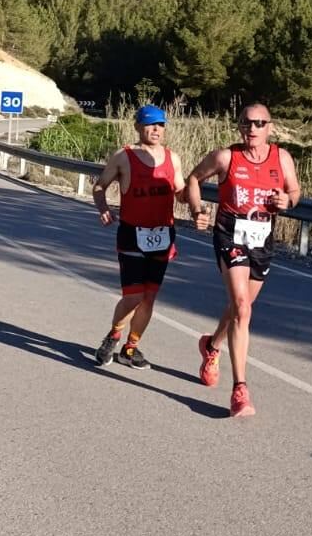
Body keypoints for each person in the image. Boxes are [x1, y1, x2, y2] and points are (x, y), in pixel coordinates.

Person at [186, 104, 300, 417]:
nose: (252, 129)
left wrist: (286, 200)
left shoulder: (282, 158)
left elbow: (295, 191)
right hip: (230, 235)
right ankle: (240, 390)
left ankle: (211, 346)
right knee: (242, 306)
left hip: (262, 238)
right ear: (239, 126)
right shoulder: (226, 157)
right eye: (247, 123)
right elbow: (193, 179)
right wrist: (197, 211)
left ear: (270, 127)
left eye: (259, 123)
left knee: (240, 309)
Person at [90, 105, 206, 369]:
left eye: (161, 125)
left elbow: (179, 192)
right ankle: (114, 335)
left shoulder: (172, 158)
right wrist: (104, 209)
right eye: (150, 124)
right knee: (133, 295)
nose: (156, 130)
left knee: (149, 297)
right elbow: (100, 186)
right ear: (138, 127)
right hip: (132, 233)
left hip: (163, 234)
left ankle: (131, 348)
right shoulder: (124, 156)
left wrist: (191, 194)